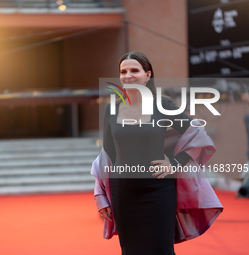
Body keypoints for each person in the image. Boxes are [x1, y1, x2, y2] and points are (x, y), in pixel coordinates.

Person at [91, 51, 223, 255]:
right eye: (123, 71)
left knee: (161, 250)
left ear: (148, 75)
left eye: (135, 70)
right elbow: (106, 156)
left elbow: (196, 132)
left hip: (158, 190)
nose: (128, 76)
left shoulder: (163, 105)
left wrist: (175, 162)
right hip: (123, 193)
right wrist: (100, 195)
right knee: (131, 251)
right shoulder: (112, 109)